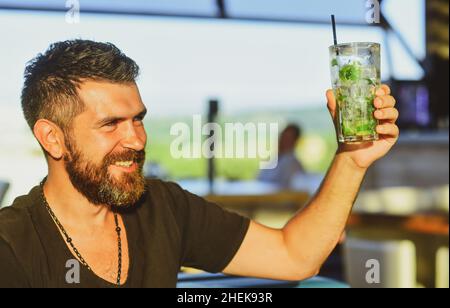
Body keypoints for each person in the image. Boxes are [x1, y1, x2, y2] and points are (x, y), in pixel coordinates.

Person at [0, 40, 400, 288]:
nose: (136, 139)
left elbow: (294, 255)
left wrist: (352, 159)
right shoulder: (12, 246)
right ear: (52, 138)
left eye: (138, 118)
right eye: (111, 125)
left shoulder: (162, 207)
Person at [258, 123, 305, 188]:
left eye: (287, 138)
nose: (282, 141)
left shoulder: (293, 164)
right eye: (282, 136)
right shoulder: (275, 159)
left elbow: (285, 188)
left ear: (295, 141)